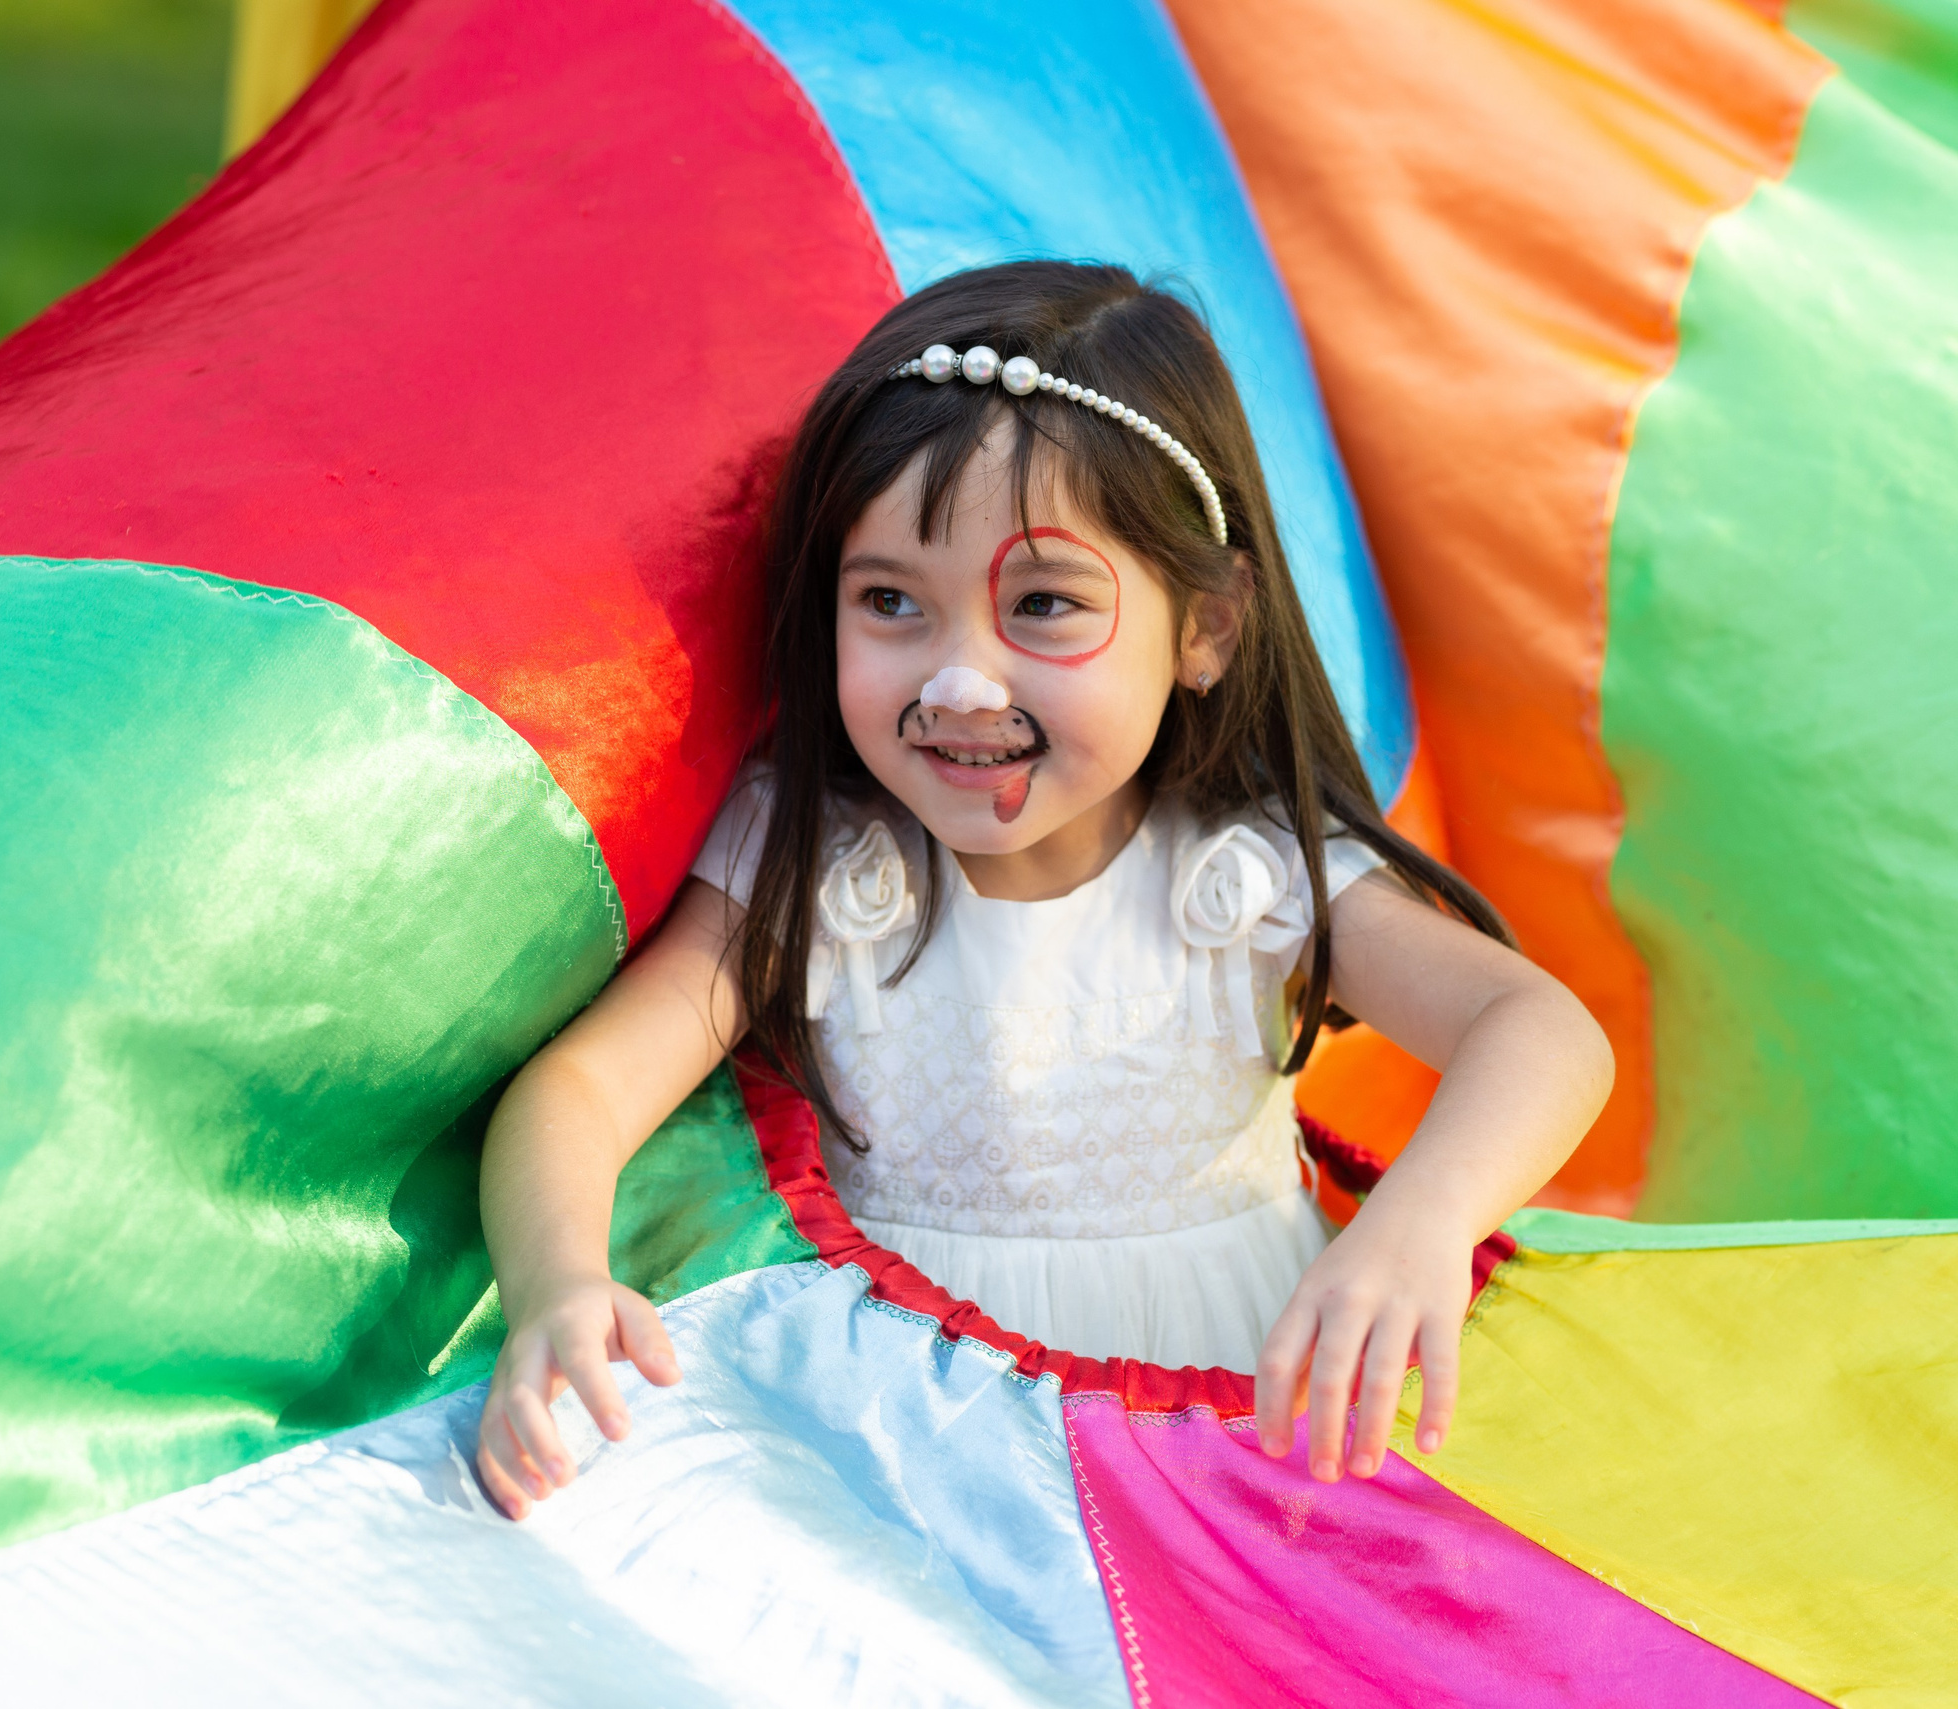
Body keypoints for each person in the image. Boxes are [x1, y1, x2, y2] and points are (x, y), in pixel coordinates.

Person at [473, 260, 1613, 1519]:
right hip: (904, 1457)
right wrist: (556, 1287)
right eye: (892, 601)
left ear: (1206, 628)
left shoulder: (1246, 876)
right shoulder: (816, 864)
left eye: (1045, 603)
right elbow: (577, 1090)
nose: (959, 680)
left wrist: (1419, 1225)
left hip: (1226, 1461)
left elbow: (1542, 1031)